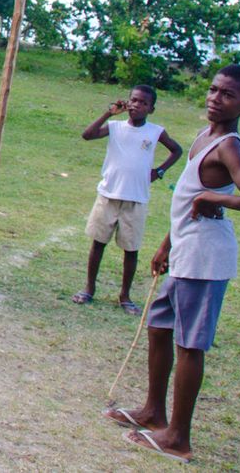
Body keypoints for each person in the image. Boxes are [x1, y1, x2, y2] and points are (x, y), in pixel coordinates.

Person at [106, 65, 240, 463]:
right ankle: (153, 411)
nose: (215, 98)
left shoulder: (229, 145)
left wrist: (216, 200)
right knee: (159, 327)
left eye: (227, 95)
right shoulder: (203, 136)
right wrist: (166, 244)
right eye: (213, 90)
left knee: (189, 344)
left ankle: (178, 437)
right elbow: (187, 195)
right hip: (183, 251)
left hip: (205, 259)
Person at [72, 86, 182, 314]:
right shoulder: (115, 127)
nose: (136, 105)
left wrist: (159, 171)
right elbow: (87, 135)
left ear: (151, 109)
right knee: (98, 243)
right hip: (109, 195)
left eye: (143, 103)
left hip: (136, 199)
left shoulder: (155, 132)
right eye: (133, 100)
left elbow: (176, 150)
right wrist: (108, 113)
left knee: (131, 250)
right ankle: (89, 289)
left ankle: (125, 295)